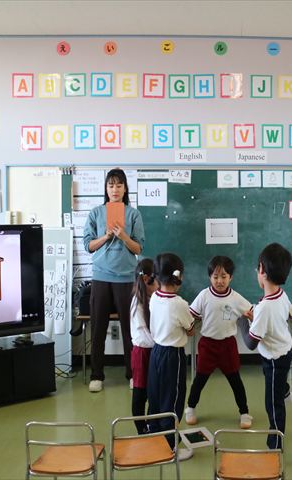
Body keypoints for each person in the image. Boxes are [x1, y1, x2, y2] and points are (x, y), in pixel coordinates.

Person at [83, 168, 144, 393]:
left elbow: (138, 248)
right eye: (111, 185)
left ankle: (133, 374)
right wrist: (106, 236)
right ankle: (97, 375)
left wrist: (123, 236)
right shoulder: (96, 213)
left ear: (125, 189)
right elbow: (88, 246)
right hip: (101, 277)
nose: (115, 189)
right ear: (106, 189)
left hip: (126, 278)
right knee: (98, 329)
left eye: (119, 185)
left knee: (130, 330)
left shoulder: (133, 214)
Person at [184, 256, 254, 429]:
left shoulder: (236, 298)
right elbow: (190, 315)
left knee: (235, 381)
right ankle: (190, 408)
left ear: (231, 277)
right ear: (210, 277)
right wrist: (187, 327)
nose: (219, 281)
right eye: (215, 277)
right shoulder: (204, 295)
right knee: (200, 380)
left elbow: (252, 311)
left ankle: (244, 412)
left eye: (224, 276)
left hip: (228, 346)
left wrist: (254, 318)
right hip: (207, 345)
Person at [238, 243, 292, 449]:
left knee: (273, 404)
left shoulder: (264, 308)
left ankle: (275, 444)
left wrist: (243, 322)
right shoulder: (282, 295)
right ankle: (284, 389)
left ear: (262, 269)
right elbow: (277, 319)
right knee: (276, 384)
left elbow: (251, 343)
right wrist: (257, 320)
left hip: (274, 359)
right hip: (283, 351)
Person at [146, 253, 195, 460]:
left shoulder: (154, 297)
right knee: (173, 399)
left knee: (156, 396)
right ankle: (170, 447)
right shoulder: (179, 304)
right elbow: (190, 329)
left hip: (156, 352)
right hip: (173, 356)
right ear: (178, 276)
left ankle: (154, 438)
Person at [130, 258, 157, 434]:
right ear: (147, 279)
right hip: (142, 353)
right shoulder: (137, 302)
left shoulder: (152, 298)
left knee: (153, 392)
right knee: (140, 394)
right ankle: (141, 429)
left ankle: (151, 426)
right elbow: (145, 334)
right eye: (158, 280)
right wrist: (162, 341)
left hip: (153, 351)